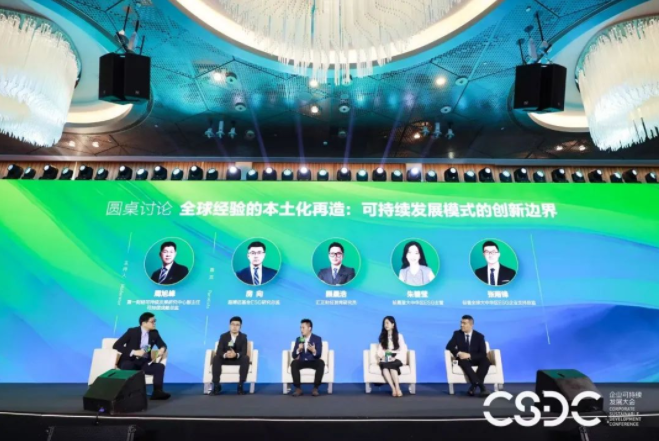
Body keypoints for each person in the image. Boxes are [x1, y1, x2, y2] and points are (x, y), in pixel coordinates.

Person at [113, 312, 171, 400]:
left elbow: (162, 344)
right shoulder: (132, 331)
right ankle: (127, 394)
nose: (154, 323)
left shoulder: (154, 333)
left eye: (155, 321)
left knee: (159, 367)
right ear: (144, 323)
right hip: (129, 361)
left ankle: (157, 392)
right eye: (152, 321)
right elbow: (117, 345)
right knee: (128, 365)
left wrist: (162, 349)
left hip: (144, 362)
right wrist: (134, 352)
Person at [445, 315, 491, 397]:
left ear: (471, 324)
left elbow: (483, 353)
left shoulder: (479, 336)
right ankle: (482, 387)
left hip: (474, 358)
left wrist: (469, 355)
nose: (461, 325)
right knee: (463, 361)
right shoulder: (457, 334)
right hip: (463, 359)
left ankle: (473, 387)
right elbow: (449, 346)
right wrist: (459, 353)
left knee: (485, 361)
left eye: (464, 323)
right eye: (461, 323)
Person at [209, 316, 250, 395]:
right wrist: (225, 355)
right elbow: (219, 351)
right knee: (216, 358)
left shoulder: (243, 337)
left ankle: (240, 385)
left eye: (237, 325)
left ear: (240, 326)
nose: (234, 327)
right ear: (229, 325)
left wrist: (236, 354)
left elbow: (244, 351)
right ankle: (216, 385)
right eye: (233, 324)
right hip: (226, 359)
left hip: (237, 359)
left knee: (245, 358)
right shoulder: (223, 336)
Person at [290, 319, 324, 397]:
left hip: (312, 361)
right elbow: (293, 356)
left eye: (303, 327)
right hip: (302, 361)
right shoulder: (299, 339)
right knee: (294, 363)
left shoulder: (317, 339)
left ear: (309, 328)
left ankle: (315, 388)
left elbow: (319, 354)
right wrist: (298, 350)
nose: (301, 330)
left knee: (321, 363)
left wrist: (313, 351)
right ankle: (298, 389)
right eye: (300, 328)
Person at [376, 316, 408, 397]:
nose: (386, 325)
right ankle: (393, 388)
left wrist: (395, 358)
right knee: (384, 366)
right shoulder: (383, 337)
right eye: (384, 323)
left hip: (397, 356)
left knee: (392, 366)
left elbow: (403, 349)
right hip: (387, 356)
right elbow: (380, 350)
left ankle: (398, 388)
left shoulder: (399, 336)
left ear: (393, 324)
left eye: (387, 323)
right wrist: (382, 357)